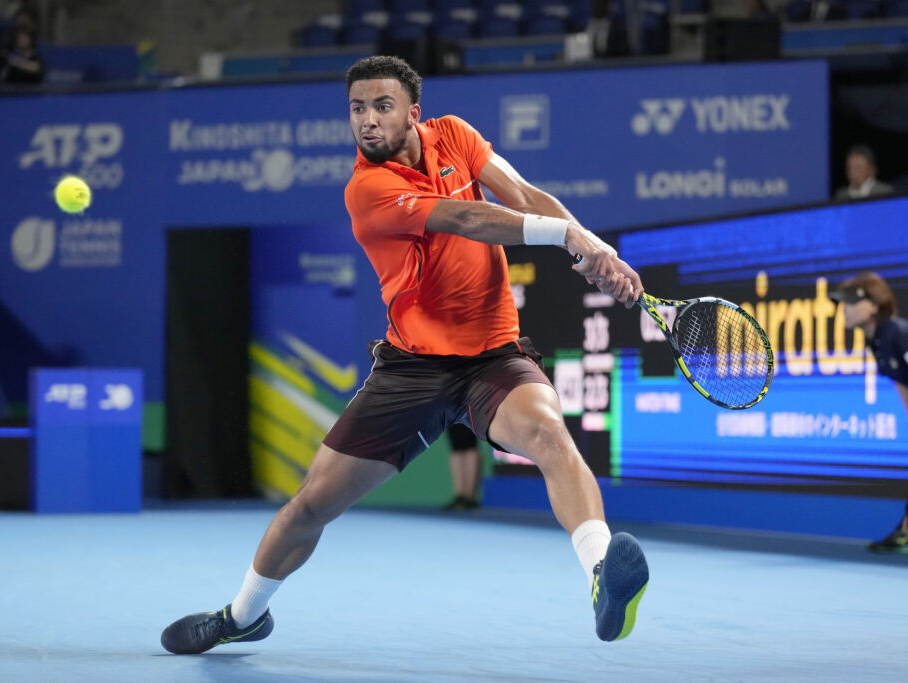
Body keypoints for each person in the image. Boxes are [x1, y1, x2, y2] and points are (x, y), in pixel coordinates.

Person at [160, 55, 650, 655]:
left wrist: (595, 247)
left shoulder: (456, 136)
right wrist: (568, 238)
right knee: (313, 504)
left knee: (550, 435)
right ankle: (242, 615)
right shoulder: (367, 190)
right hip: (412, 368)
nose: (367, 121)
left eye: (381, 106)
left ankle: (602, 574)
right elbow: (470, 218)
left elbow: (522, 194)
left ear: (412, 113)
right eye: (357, 110)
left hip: (493, 354)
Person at [829, 272, 908, 558]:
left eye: (850, 303)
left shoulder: (899, 333)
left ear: (873, 306)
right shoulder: (877, 339)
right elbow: (903, 378)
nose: (843, 310)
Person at [443, 424, 482, 510]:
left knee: (470, 445)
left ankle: (469, 496)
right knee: (455, 446)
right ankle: (460, 495)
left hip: (470, 412)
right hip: (450, 412)